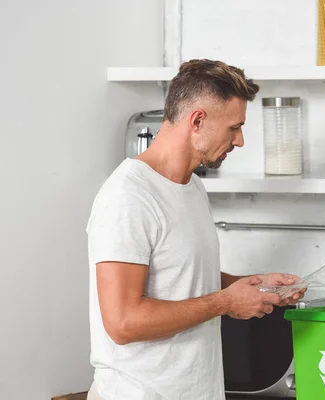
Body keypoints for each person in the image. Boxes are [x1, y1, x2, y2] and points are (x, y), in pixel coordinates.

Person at [85, 59, 304, 400]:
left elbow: (183, 277)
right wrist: (225, 303)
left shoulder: (192, 188)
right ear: (198, 120)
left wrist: (255, 286)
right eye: (234, 127)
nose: (241, 140)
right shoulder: (128, 197)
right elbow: (123, 322)